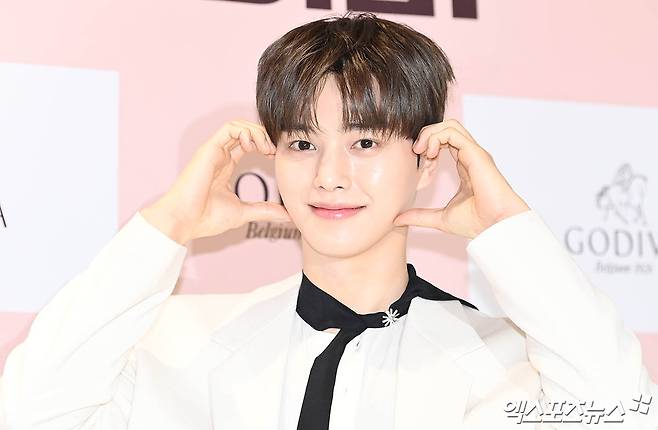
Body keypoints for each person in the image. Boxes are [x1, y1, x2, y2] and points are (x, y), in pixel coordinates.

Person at [1, 11, 656, 430]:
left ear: (427, 159)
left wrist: (508, 226)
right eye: (302, 143)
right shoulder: (179, 340)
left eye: (365, 142)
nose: (329, 176)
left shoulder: (503, 357)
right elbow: (29, 413)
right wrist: (167, 224)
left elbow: (621, 415)